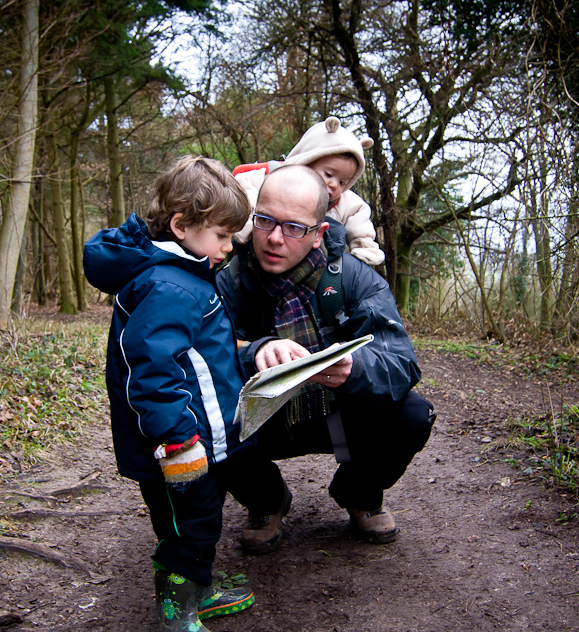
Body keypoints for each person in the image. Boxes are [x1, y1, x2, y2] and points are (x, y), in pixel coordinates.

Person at [217, 164, 435, 555]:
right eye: (265, 221)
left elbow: (402, 362)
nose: (274, 239)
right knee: (202, 421)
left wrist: (355, 370)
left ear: (319, 235)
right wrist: (255, 351)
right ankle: (267, 502)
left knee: (414, 416)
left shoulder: (354, 278)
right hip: (265, 420)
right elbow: (200, 359)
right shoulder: (228, 280)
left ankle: (360, 495)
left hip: (342, 415)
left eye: (294, 227)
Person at [83, 156, 255, 630]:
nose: (228, 247)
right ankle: (178, 608)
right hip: (178, 444)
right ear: (182, 225)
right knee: (190, 525)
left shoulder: (183, 275)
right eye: (222, 235)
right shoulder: (170, 285)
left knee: (195, 522)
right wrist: (178, 442)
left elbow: (197, 357)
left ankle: (197, 587)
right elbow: (153, 370)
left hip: (192, 435)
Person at [233, 116, 385, 266]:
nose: (334, 185)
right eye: (329, 174)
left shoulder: (345, 202)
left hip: (315, 269)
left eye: (342, 182)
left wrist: (364, 248)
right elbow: (241, 182)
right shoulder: (274, 179)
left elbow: (360, 220)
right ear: (306, 160)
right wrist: (251, 219)